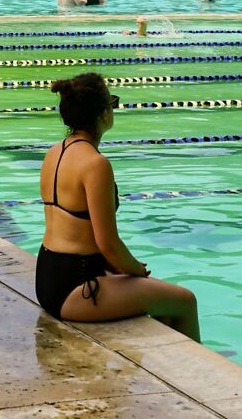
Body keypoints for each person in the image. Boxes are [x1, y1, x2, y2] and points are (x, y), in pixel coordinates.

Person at [36, 72, 199, 340]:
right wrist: (135, 270)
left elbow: (78, 233)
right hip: (78, 287)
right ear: (102, 115)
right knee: (185, 301)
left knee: (164, 308)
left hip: (48, 278)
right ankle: (203, 379)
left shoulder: (54, 152)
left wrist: (124, 270)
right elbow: (107, 243)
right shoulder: (95, 164)